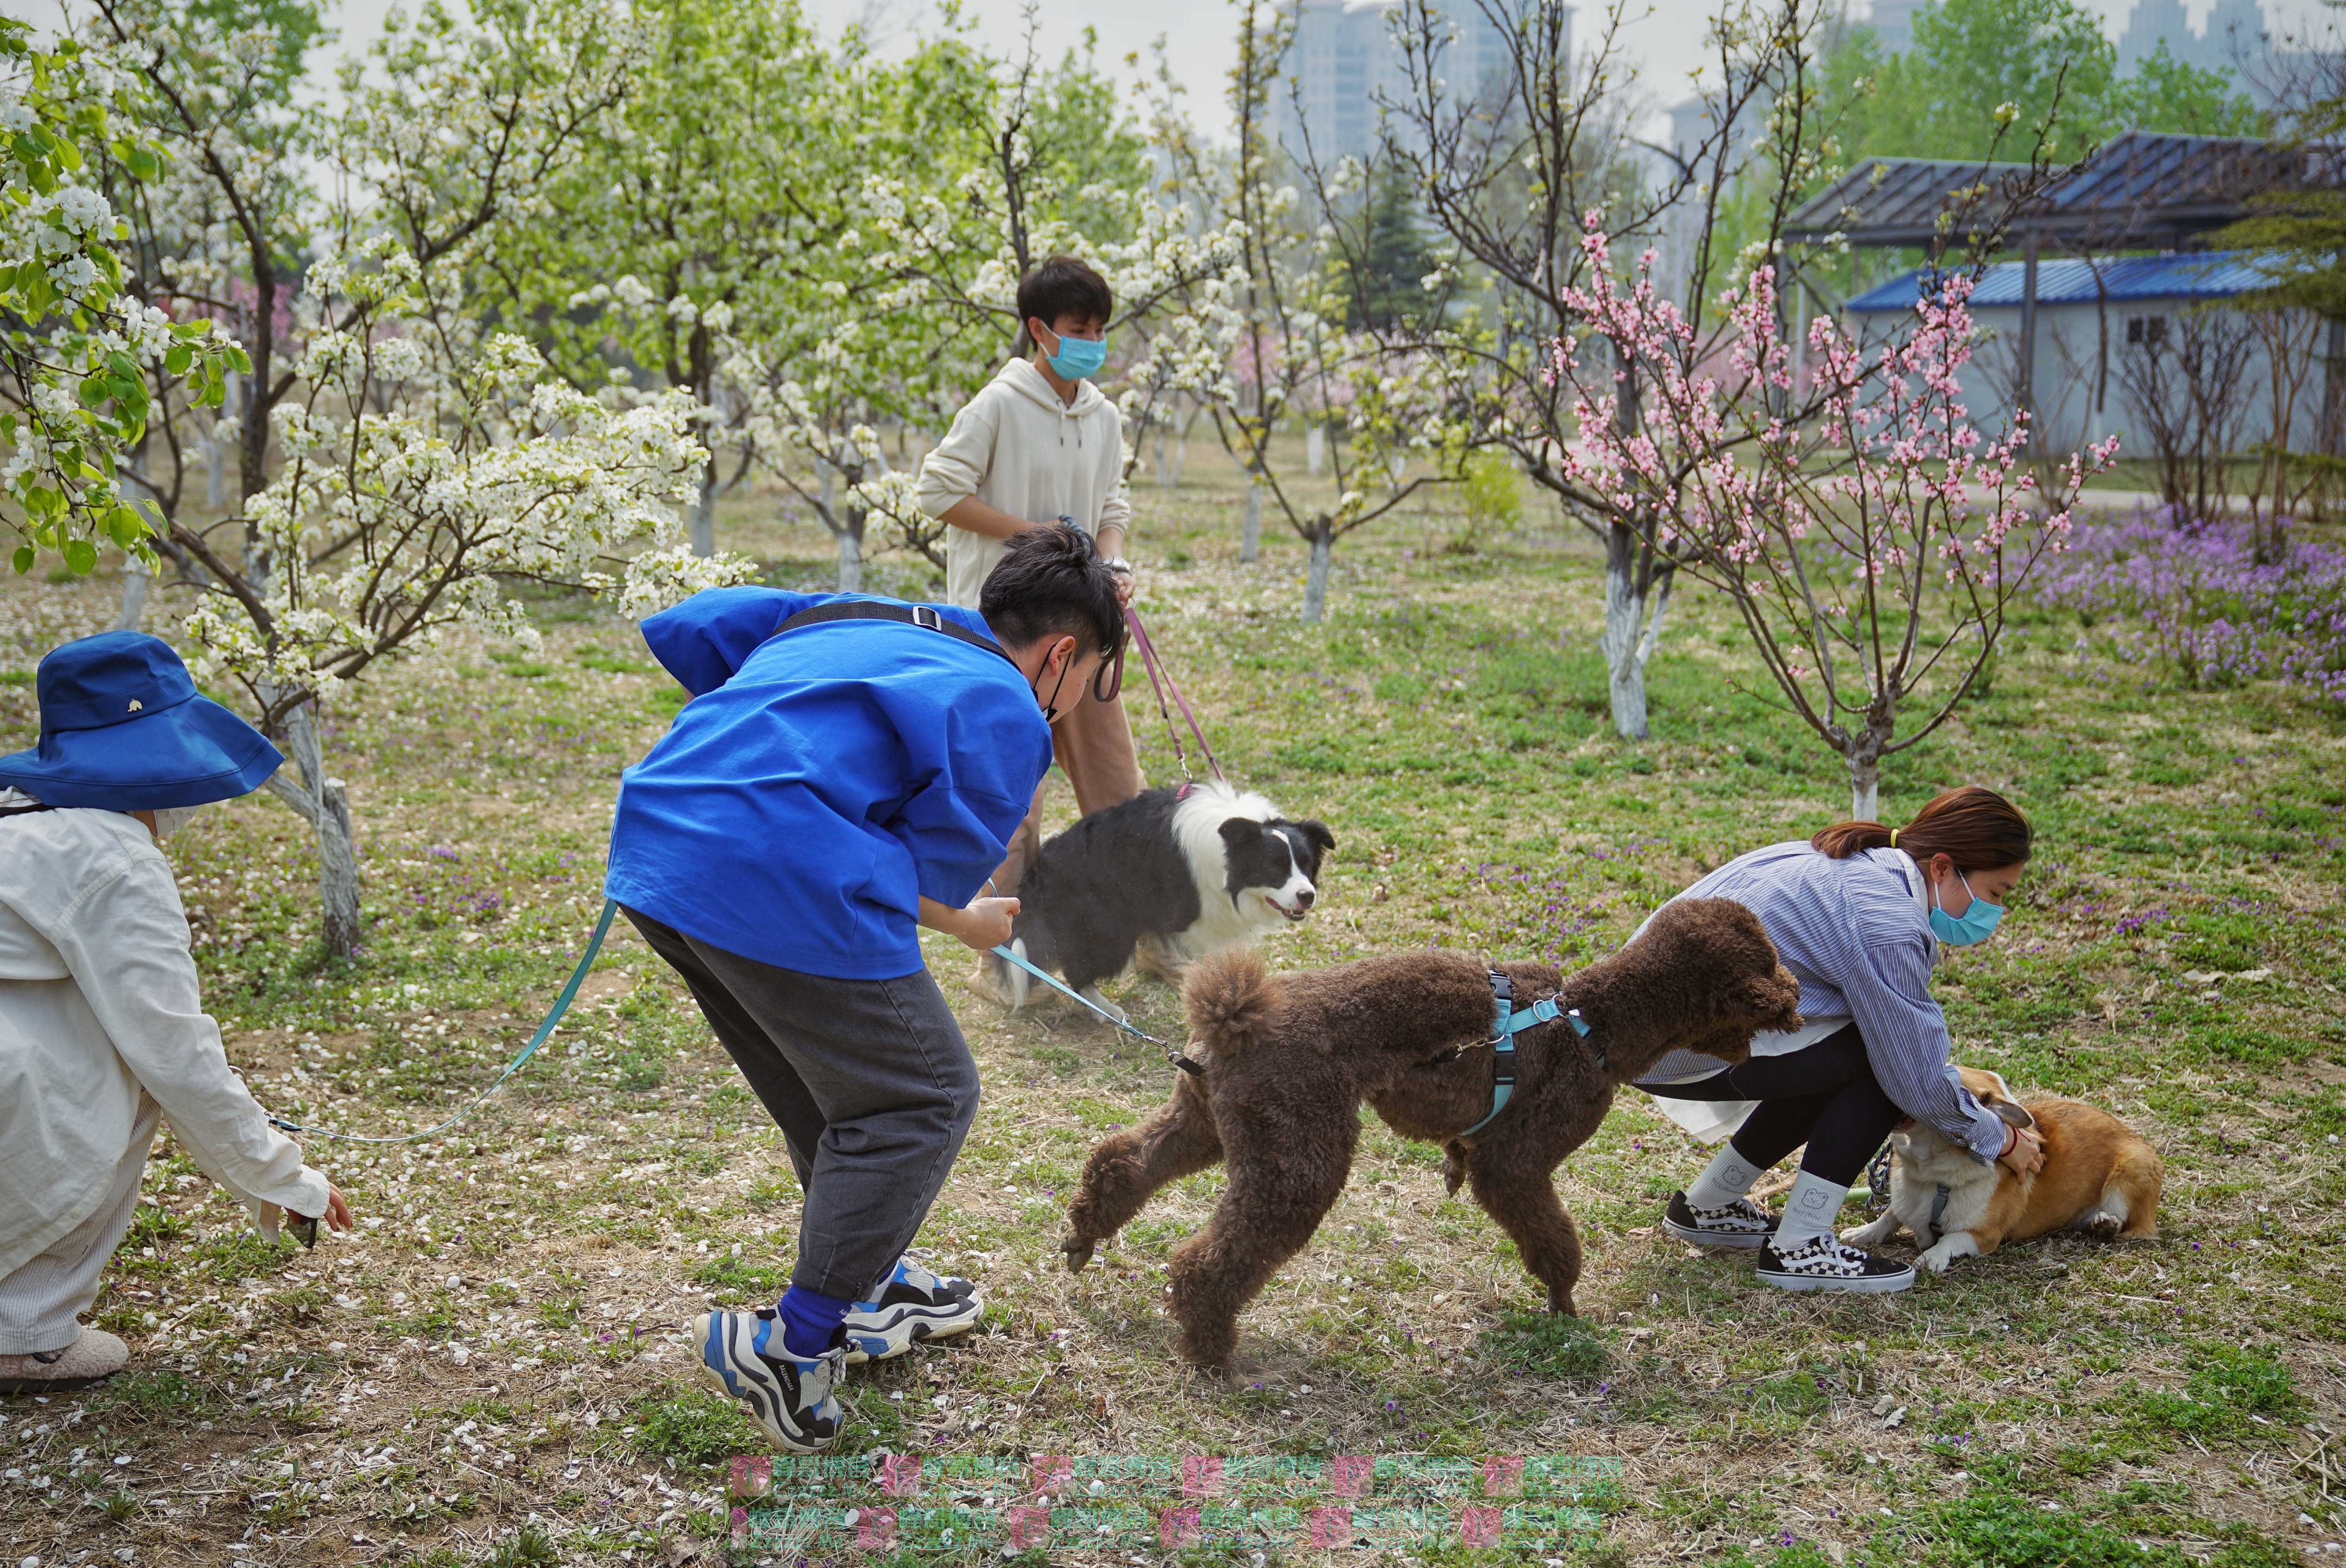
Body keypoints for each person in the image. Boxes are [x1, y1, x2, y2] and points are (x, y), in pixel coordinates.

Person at [603, 524, 1124, 1453]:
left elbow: (699, 623)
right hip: (767, 871)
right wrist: (966, 919)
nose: (1073, 702)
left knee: (843, 1091)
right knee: (924, 1094)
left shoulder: (869, 611)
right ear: (1058, 655)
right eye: (1087, 682)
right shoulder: (1008, 707)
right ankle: (791, 1346)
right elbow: (920, 868)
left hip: (660, 838)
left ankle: (871, 1281)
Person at [0, 632, 355, 1392]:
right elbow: (173, 1052)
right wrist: (283, 1177)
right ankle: (23, 1335)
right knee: (118, 1080)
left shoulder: (17, 815)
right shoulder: (114, 858)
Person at [1634, 786, 2047, 1294]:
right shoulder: (1888, 921)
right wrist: (1999, 1137)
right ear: (1942, 868)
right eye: (1996, 893)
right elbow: (1914, 1073)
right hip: (1675, 1048)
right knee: (1882, 1059)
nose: (1995, 912)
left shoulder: (1850, 861)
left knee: (1864, 1045)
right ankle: (1801, 1246)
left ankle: (1709, 1205)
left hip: (1641, 1030)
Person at [914, 256, 1145, 997]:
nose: (1093, 342)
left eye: (1102, 330)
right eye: (1080, 329)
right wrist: (1036, 536)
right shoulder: (999, 404)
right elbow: (938, 490)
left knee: (1116, 782)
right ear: (1040, 331)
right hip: (1005, 636)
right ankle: (1005, 958)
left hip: (1086, 631)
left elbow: (1113, 508)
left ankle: (1148, 932)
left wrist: (1110, 562)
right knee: (1015, 798)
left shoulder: (1103, 415)